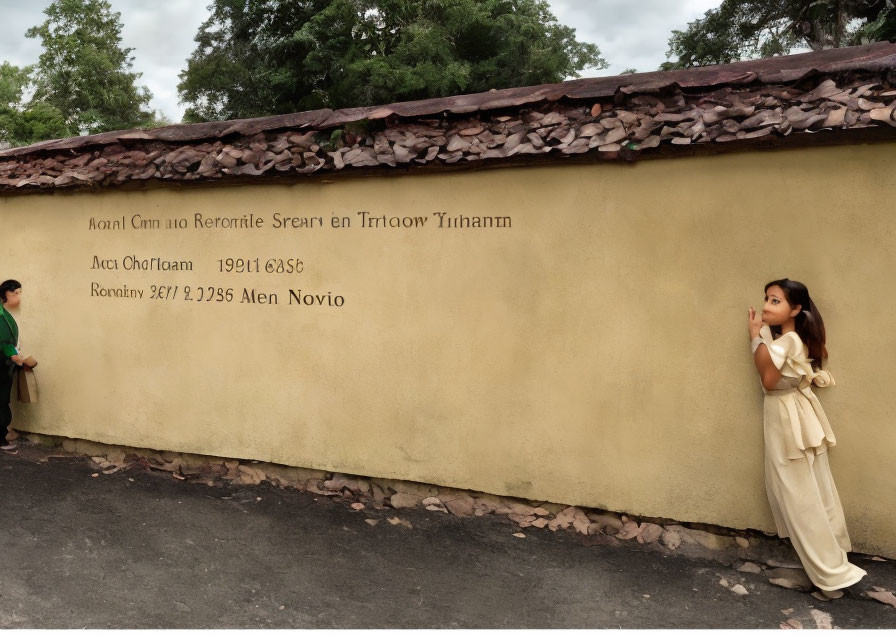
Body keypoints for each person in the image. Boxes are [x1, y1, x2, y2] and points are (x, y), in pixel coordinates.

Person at [747, 278, 866, 596]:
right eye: (766, 299)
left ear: (795, 309)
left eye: (775, 301)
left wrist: (755, 337)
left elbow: (769, 381)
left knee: (800, 501)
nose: (766, 306)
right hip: (797, 416)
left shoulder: (785, 342)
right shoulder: (794, 339)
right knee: (814, 495)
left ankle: (831, 578)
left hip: (788, 423)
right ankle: (833, 567)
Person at [1, 279, 24, 451]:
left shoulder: (4, 314)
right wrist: (13, 355)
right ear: (5, 294)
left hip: (5, 363)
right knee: (1, 400)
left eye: (19, 293)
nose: (18, 297)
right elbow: (3, 341)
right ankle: (1, 438)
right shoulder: (1, 316)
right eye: (15, 293)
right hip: (2, 364)